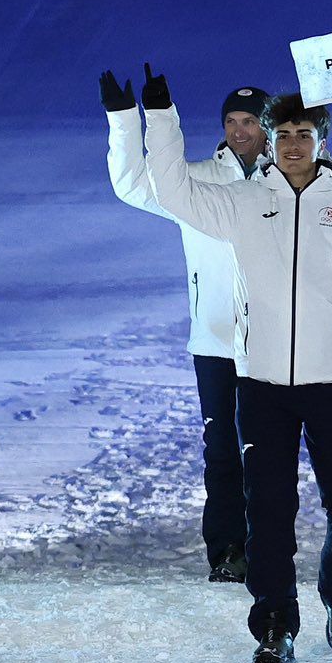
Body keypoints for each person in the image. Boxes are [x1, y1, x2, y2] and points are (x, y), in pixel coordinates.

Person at [112, 64, 332, 663]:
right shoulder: (243, 202)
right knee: (269, 513)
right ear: (272, 141)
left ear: (321, 141)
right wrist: (161, 117)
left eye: (304, 134)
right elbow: (171, 191)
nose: (292, 144)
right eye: (283, 135)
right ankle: (275, 625)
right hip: (261, 386)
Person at [101, 69, 270, 582]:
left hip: (278, 340)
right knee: (222, 451)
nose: (239, 130)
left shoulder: (289, 183)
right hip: (215, 341)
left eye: (250, 121)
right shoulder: (194, 183)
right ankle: (228, 551)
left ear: (269, 126)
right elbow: (132, 186)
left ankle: (269, 548)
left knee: (268, 451)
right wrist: (127, 120)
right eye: (231, 121)